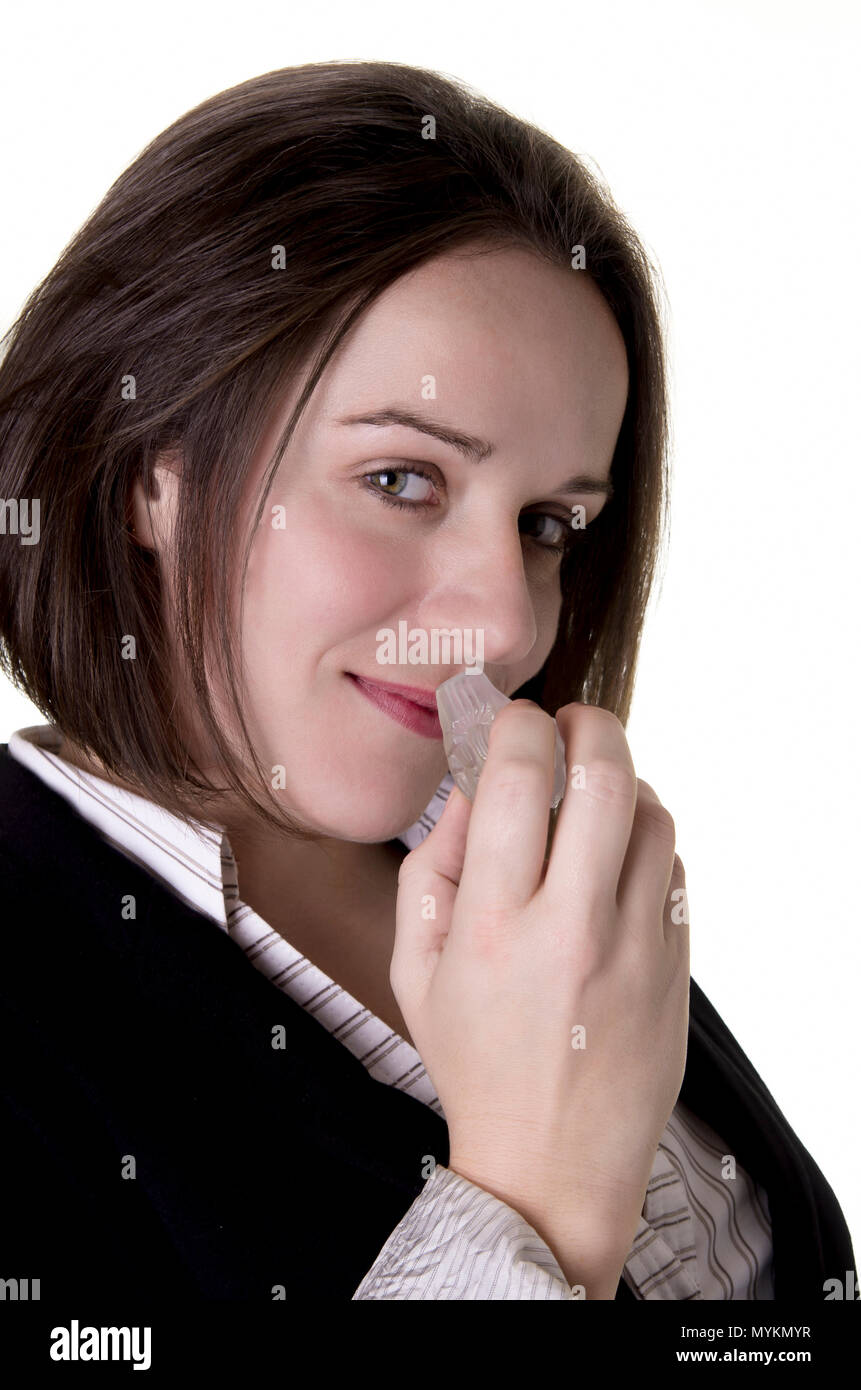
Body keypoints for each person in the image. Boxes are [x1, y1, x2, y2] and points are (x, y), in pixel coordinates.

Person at [0, 60, 854, 1302]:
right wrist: (530, 1201)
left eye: (550, 523)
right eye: (403, 480)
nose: (508, 616)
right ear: (148, 474)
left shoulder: (504, 872)